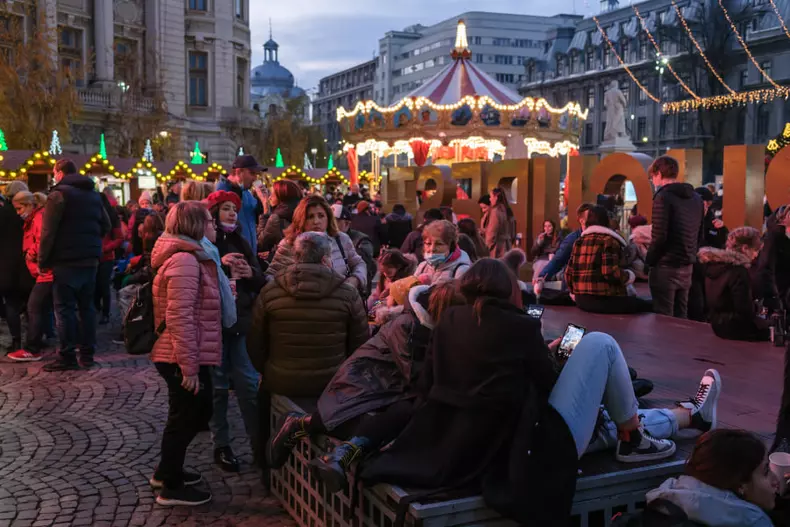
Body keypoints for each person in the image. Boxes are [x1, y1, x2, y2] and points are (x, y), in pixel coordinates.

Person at [358, 260, 676, 523]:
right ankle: (634, 437)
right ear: (510, 289)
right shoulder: (520, 325)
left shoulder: (449, 321)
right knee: (599, 344)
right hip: (524, 447)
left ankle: (674, 419)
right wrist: (553, 355)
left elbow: (430, 384)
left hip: (469, 446)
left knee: (609, 418)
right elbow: (546, 384)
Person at [267, 282, 464, 490]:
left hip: (388, 388)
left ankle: (334, 451)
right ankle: (303, 427)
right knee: (347, 421)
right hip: (364, 384)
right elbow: (418, 377)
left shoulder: (426, 325)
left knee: (399, 414)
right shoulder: (409, 326)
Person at [247, 232, 369, 466]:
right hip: (329, 383)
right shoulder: (348, 293)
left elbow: (255, 342)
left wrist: (270, 370)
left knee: (263, 408)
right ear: (326, 259)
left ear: (295, 258)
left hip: (280, 380)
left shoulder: (271, 291)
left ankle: (265, 466)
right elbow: (359, 345)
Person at [148, 201, 222, 507]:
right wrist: (188, 366)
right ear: (195, 225)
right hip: (179, 354)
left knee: (190, 412)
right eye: (209, 221)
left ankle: (167, 471)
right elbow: (180, 317)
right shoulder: (185, 261)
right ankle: (171, 486)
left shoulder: (188, 257)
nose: (213, 225)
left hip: (184, 352)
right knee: (188, 415)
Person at [203, 191, 266, 473]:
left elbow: (260, 280)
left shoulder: (242, 240)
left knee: (248, 385)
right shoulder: (206, 243)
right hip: (215, 325)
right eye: (226, 209)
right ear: (214, 213)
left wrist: (248, 273)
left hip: (241, 324)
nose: (231, 213)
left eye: (234, 209)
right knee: (217, 388)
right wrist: (221, 265)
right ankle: (222, 445)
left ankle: (259, 445)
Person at [40, 159, 110, 371]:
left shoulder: (58, 195)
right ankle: (87, 355)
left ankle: (67, 355)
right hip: (90, 261)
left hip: (66, 261)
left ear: (60, 173)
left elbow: (48, 232)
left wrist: (43, 260)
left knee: (64, 310)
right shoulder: (94, 195)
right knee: (87, 308)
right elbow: (106, 224)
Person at [623, 430, 778, 526]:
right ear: (740, 485)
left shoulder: (664, 500)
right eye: (765, 471)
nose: (775, 480)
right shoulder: (752, 521)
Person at [266, 196, 368, 294]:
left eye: (321, 216)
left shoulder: (341, 239)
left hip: (337, 304)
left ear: (328, 217)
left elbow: (359, 263)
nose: (316, 221)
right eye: (310, 217)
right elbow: (271, 276)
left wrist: (355, 279)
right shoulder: (289, 243)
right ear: (301, 220)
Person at [646, 156, 705, 319]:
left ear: (658, 173)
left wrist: (649, 261)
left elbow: (659, 236)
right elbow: (700, 233)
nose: (653, 181)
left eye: (652, 177)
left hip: (665, 266)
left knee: (663, 317)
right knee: (681, 316)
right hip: (687, 265)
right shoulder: (696, 198)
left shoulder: (662, 197)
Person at [565, 205, 652, 314]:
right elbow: (610, 272)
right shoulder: (608, 240)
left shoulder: (579, 241)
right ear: (605, 220)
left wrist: (576, 292)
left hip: (581, 300)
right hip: (605, 300)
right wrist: (629, 276)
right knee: (647, 305)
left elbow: (568, 273)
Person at [698, 227, 770, 342]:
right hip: (735, 328)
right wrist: (758, 309)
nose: (756, 255)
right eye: (755, 250)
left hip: (716, 324)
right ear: (745, 248)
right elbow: (744, 310)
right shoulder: (739, 271)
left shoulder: (714, 265)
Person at [8, 192, 52, 362]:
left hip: (46, 272)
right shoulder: (35, 218)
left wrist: (31, 254)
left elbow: (43, 240)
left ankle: (33, 348)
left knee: (35, 307)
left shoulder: (38, 218)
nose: (18, 213)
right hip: (43, 271)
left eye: (19, 208)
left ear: (28, 204)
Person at [533, 203, 595, 294]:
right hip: (575, 290)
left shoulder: (559, 237)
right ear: (581, 220)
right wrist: (542, 277)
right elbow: (557, 259)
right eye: (545, 226)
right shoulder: (572, 239)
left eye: (549, 226)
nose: (547, 228)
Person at [217, 155, 265, 254]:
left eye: (256, 174)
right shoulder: (220, 192)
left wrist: (263, 200)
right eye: (252, 173)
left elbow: (257, 215)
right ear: (238, 172)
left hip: (249, 254)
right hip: (233, 255)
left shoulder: (246, 193)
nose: (255, 178)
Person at [0, 181, 27, 353]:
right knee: (18, 303)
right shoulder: (25, 214)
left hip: (4, 263)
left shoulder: (3, 213)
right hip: (23, 263)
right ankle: (27, 339)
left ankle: (16, 339)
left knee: (10, 303)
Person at [333, 205, 376, 299]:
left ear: (346, 223)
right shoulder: (326, 239)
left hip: (357, 293)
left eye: (335, 221)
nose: (330, 224)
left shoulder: (361, 240)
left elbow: (364, 262)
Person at [413, 220, 471, 285]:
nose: (432, 249)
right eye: (428, 243)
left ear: (451, 246)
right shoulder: (422, 267)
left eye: (439, 244)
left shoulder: (461, 269)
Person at [96, 192, 123, 325]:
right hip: (94, 256)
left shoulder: (112, 218)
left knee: (103, 285)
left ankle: (105, 312)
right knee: (95, 286)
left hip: (106, 257)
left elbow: (119, 238)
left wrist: (105, 248)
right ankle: (98, 309)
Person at [257, 179, 301, 257]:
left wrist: (265, 207)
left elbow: (260, 244)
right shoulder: (302, 212)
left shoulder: (276, 218)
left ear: (281, 197)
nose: (269, 197)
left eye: (272, 194)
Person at [482, 187, 514, 258]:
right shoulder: (508, 210)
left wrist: (487, 247)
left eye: (491, 197)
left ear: (496, 197)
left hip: (497, 249)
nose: (490, 199)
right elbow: (512, 231)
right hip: (508, 246)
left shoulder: (495, 211)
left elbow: (492, 232)